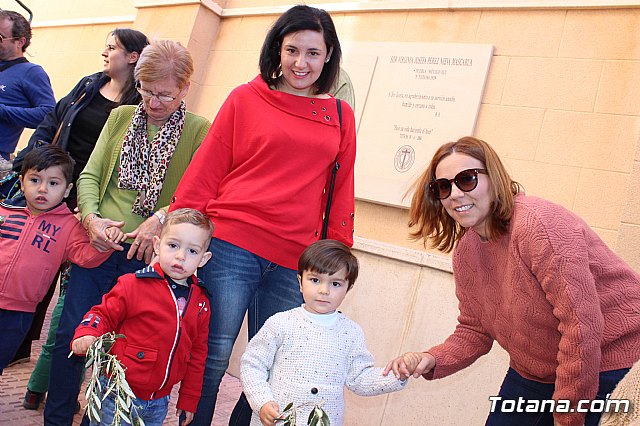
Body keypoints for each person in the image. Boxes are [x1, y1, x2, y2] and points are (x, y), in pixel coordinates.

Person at [168, 5, 357, 424]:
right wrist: (180, 227)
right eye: (292, 50)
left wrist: (339, 252)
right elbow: (209, 166)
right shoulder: (245, 97)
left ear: (328, 56)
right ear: (277, 49)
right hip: (233, 243)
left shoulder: (340, 116)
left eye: (312, 53)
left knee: (275, 368)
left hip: (297, 259)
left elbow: (342, 189)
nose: (300, 62)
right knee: (214, 355)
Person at [383, 136, 640, 426]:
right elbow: (474, 330)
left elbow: (581, 327)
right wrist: (431, 358)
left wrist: (567, 417)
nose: (454, 194)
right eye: (443, 186)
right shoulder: (466, 251)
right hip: (534, 371)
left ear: (494, 178)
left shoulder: (540, 226)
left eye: (466, 179)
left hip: (607, 361)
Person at [44, 40, 211, 426]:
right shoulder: (120, 117)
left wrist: (162, 218)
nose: (152, 103)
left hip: (150, 262)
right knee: (72, 335)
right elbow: (89, 175)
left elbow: (200, 191)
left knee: (126, 348)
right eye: (145, 91)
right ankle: (56, 418)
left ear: (185, 88)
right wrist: (91, 220)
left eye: (164, 95)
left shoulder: (200, 131)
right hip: (100, 247)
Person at [14, 28, 149, 410]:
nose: (104, 52)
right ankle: (29, 365)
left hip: (92, 210)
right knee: (33, 283)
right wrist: (31, 164)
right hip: (52, 194)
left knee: (70, 304)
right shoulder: (89, 85)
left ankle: (45, 385)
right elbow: (53, 121)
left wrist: (90, 208)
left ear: (134, 56)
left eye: (113, 47)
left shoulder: (140, 104)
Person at [71, 208, 213, 426]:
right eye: (173, 245)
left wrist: (189, 399)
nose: (181, 256)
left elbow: (198, 353)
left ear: (204, 259)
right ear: (157, 245)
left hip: (159, 402)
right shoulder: (133, 284)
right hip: (117, 394)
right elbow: (102, 313)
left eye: (192, 251)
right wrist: (87, 332)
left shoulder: (201, 302)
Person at [241, 240, 406, 426]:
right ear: (300, 282)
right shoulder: (280, 323)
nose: (324, 290)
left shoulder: (351, 333)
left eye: (335, 283)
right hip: (278, 420)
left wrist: (397, 376)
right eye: (315, 280)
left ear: (348, 288)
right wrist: (262, 401)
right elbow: (252, 365)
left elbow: (359, 378)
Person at [0, 145, 113, 373]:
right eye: (35, 180)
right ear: (22, 183)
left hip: (18, 312)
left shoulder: (69, 226)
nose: (43, 189)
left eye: (53, 183)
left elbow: (85, 256)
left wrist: (106, 242)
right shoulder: (5, 212)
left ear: (67, 189)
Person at [0, 10, 55, 164]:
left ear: (20, 42)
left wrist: (3, 111)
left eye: (0, 38)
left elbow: (48, 114)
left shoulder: (32, 72)